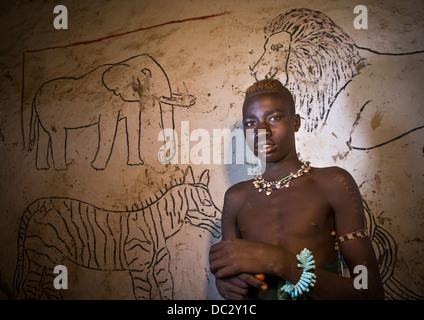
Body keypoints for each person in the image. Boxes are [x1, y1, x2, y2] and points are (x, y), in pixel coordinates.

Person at [209, 78, 384, 300]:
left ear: (296, 123)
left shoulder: (333, 183)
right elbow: (228, 267)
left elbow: (368, 290)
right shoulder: (236, 198)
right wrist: (226, 281)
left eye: (274, 118)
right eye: (251, 123)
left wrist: (284, 263)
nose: (262, 130)